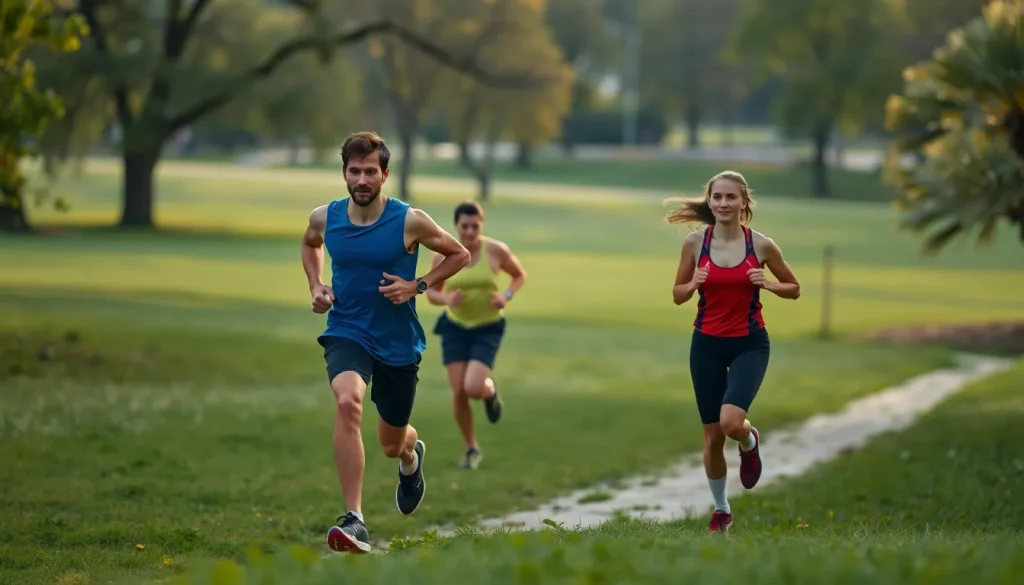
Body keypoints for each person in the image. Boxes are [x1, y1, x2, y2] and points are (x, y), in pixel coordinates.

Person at [301, 131, 470, 554]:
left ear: (384, 175)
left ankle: (412, 458)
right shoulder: (326, 217)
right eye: (354, 171)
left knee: (392, 443)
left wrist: (417, 285)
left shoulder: (408, 220)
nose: (361, 179)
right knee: (347, 401)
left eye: (370, 172)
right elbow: (309, 244)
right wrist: (316, 284)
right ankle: (354, 520)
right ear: (344, 173)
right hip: (347, 330)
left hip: (396, 342)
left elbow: (459, 254)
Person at [666, 170, 801, 534]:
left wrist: (769, 284)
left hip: (749, 343)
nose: (723, 203)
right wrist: (693, 283)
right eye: (717, 197)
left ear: (744, 203)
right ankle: (722, 510)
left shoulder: (762, 245)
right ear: (709, 202)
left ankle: (748, 439)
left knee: (729, 423)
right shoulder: (695, 244)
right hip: (706, 344)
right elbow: (677, 295)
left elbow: (794, 288)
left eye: (731, 197)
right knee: (711, 436)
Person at [424, 201, 527, 470]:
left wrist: (505, 296)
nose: (469, 232)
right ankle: (471, 447)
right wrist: (447, 298)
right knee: (458, 391)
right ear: (456, 226)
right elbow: (430, 291)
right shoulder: (443, 253)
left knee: (473, 387)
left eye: (475, 227)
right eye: (464, 227)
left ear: (481, 226)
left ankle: (489, 392)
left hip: (487, 327)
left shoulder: (495, 250)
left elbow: (518, 276)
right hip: (455, 327)